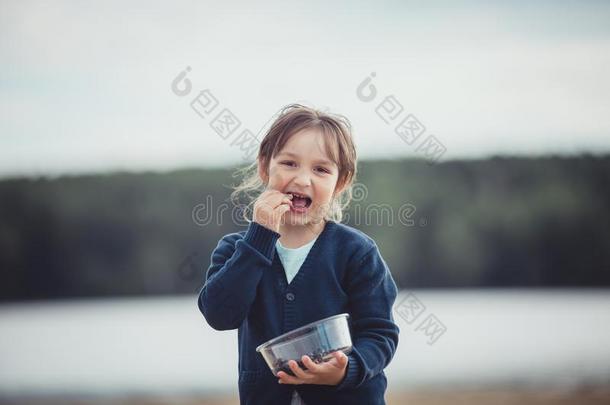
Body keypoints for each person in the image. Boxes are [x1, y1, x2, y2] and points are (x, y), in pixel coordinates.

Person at [197, 104, 400, 404]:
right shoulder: (236, 250)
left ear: (340, 183)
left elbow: (380, 334)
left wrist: (347, 369)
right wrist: (259, 237)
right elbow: (219, 315)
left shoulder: (357, 252)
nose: (303, 180)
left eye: (321, 169)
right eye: (290, 163)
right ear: (265, 167)